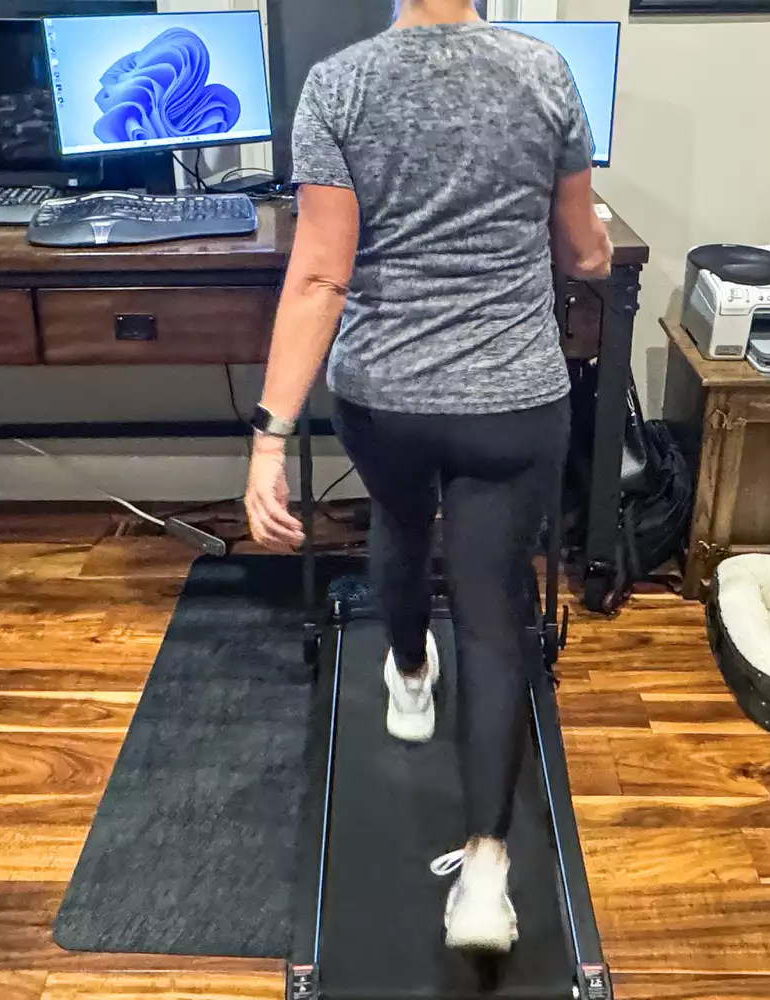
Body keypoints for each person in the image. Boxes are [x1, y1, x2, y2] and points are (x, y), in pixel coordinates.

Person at [244, 0, 613, 955]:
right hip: (513, 401)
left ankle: (409, 676)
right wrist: (593, 246)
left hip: (388, 400)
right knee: (493, 614)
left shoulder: (339, 83)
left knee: (403, 527)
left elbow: (321, 274)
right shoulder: (544, 73)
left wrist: (268, 438)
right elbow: (584, 252)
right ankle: (486, 875)